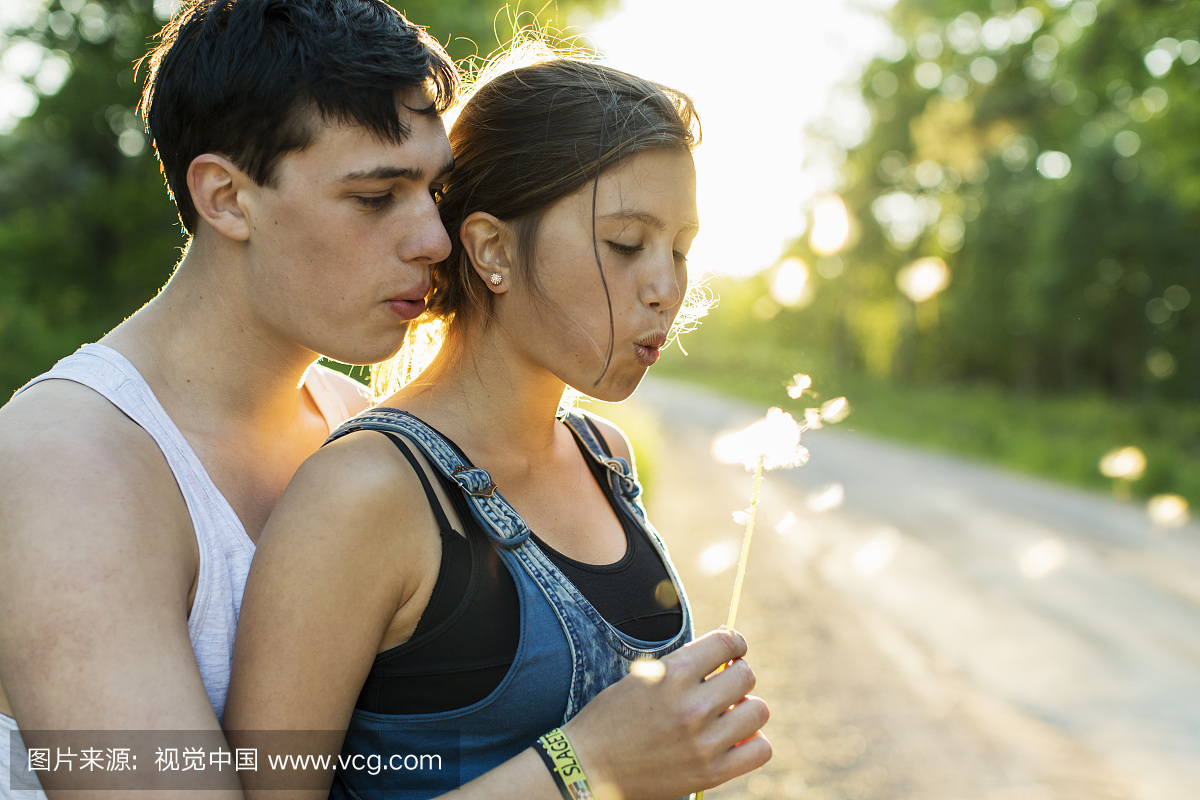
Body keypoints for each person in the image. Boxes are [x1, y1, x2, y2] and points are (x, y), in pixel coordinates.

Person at [0, 1, 767, 798]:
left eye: (434, 192)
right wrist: (584, 769)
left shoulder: (347, 416)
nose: (435, 241)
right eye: (375, 198)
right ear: (226, 198)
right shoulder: (66, 470)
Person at [223, 50, 770, 800]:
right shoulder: (365, 493)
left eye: (680, 250)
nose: (666, 289)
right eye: (626, 243)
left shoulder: (601, 454)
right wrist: (586, 767)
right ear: (491, 249)